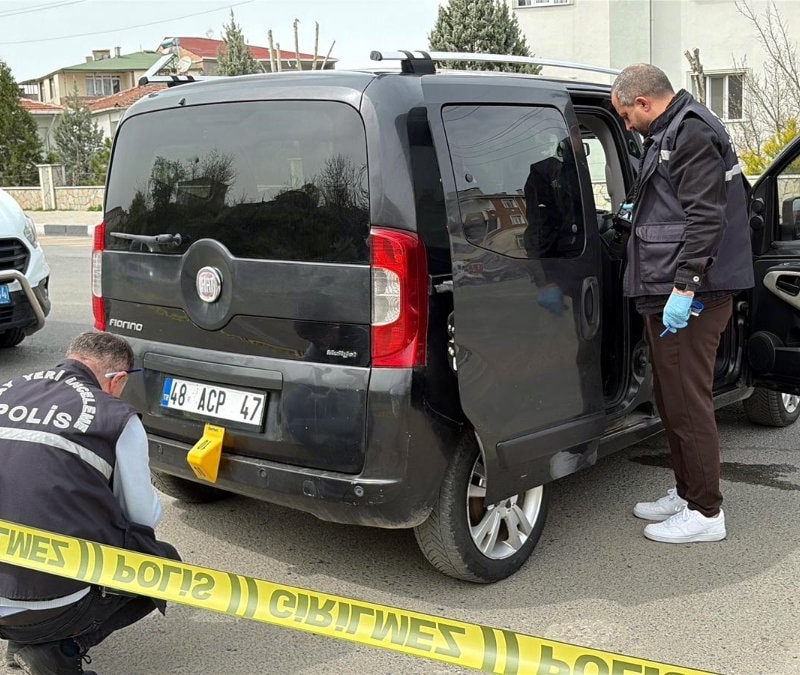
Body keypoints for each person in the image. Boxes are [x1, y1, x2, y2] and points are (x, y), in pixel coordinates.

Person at [610, 64, 754, 544]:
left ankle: (706, 513)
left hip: (693, 295)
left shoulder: (690, 132)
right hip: (669, 289)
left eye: (626, 115)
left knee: (689, 404)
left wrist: (685, 286)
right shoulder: (672, 130)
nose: (627, 125)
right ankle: (686, 490)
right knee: (672, 401)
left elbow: (705, 218)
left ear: (644, 103)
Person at [0, 331, 179, 674]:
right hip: (47, 604)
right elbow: (142, 516)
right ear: (118, 380)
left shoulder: (7, 389)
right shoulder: (114, 417)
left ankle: (21, 638)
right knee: (164, 562)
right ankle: (59, 648)